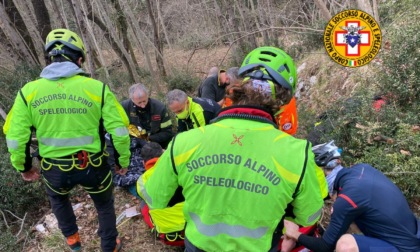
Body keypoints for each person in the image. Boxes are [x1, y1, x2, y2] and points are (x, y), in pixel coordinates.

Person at [142, 46, 325, 251]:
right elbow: (309, 214)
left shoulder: (184, 143)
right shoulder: (297, 153)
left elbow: (153, 198)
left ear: (237, 87)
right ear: (283, 101)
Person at [3, 28, 130, 252]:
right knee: (103, 204)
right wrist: (122, 161)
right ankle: (109, 246)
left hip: (54, 168)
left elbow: (15, 136)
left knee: (59, 201)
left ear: (51, 58)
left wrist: (23, 167)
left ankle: (74, 243)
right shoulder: (96, 89)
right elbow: (119, 130)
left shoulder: (28, 92)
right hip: (93, 164)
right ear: (79, 59)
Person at [284, 141, 420, 252]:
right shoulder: (362, 169)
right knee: (348, 224)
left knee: (345, 245)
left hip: (404, 248)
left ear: (321, 172)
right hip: (412, 235)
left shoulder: (347, 199)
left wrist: (295, 234)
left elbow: (325, 247)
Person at [120, 83, 174, 149]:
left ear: (147, 96)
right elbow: (117, 130)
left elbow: (167, 133)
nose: (143, 105)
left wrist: (148, 139)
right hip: (133, 143)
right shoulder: (124, 108)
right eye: (139, 103)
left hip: (157, 143)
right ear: (132, 100)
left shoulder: (159, 108)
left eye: (144, 101)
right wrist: (135, 138)